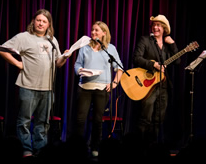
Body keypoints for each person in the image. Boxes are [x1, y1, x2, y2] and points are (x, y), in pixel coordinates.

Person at [0, 9, 70, 157]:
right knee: (24, 121)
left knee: (43, 123)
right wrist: (18, 63)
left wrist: (65, 57)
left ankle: (40, 150)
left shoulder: (52, 40)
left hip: (47, 88)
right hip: (28, 86)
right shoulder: (24, 37)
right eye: (38, 20)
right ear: (33, 21)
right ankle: (26, 149)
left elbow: (58, 63)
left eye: (44, 21)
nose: (40, 23)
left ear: (48, 24)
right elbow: (2, 50)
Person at [74, 21, 124, 157]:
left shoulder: (110, 49)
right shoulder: (85, 47)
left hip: (102, 89)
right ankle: (77, 148)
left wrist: (114, 83)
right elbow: (77, 64)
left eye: (97, 30)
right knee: (80, 119)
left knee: (97, 120)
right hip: (85, 87)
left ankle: (95, 147)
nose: (94, 33)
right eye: (92, 30)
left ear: (104, 33)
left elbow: (119, 68)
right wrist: (80, 70)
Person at [133, 14, 180, 144]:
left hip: (163, 86)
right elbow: (136, 58)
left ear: (164, 28)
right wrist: (153, 64)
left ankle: (152, 147)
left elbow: (177, 61)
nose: (155, 27)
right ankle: (140, 147)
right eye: (154, 25)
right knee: (145, 118)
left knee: (159, 119)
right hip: (148, 85)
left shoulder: (166, 45)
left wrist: (173, 44)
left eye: (158, 25)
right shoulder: (145, 40)